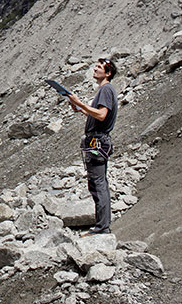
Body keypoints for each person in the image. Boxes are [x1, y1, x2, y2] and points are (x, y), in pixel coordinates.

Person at [67, 57, 118, 235]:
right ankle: (101, 225)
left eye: (99, 67)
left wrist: (81, 103)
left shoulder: (105, 89)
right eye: (95, 66)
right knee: (97, 183)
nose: (95, 69)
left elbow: (102, 115)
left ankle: (102, 227)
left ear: (108, 72)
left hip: (97, 141)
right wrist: (81, 110)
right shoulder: (105, 90)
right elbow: (98, 115)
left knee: (98, 183)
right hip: (97, 141)